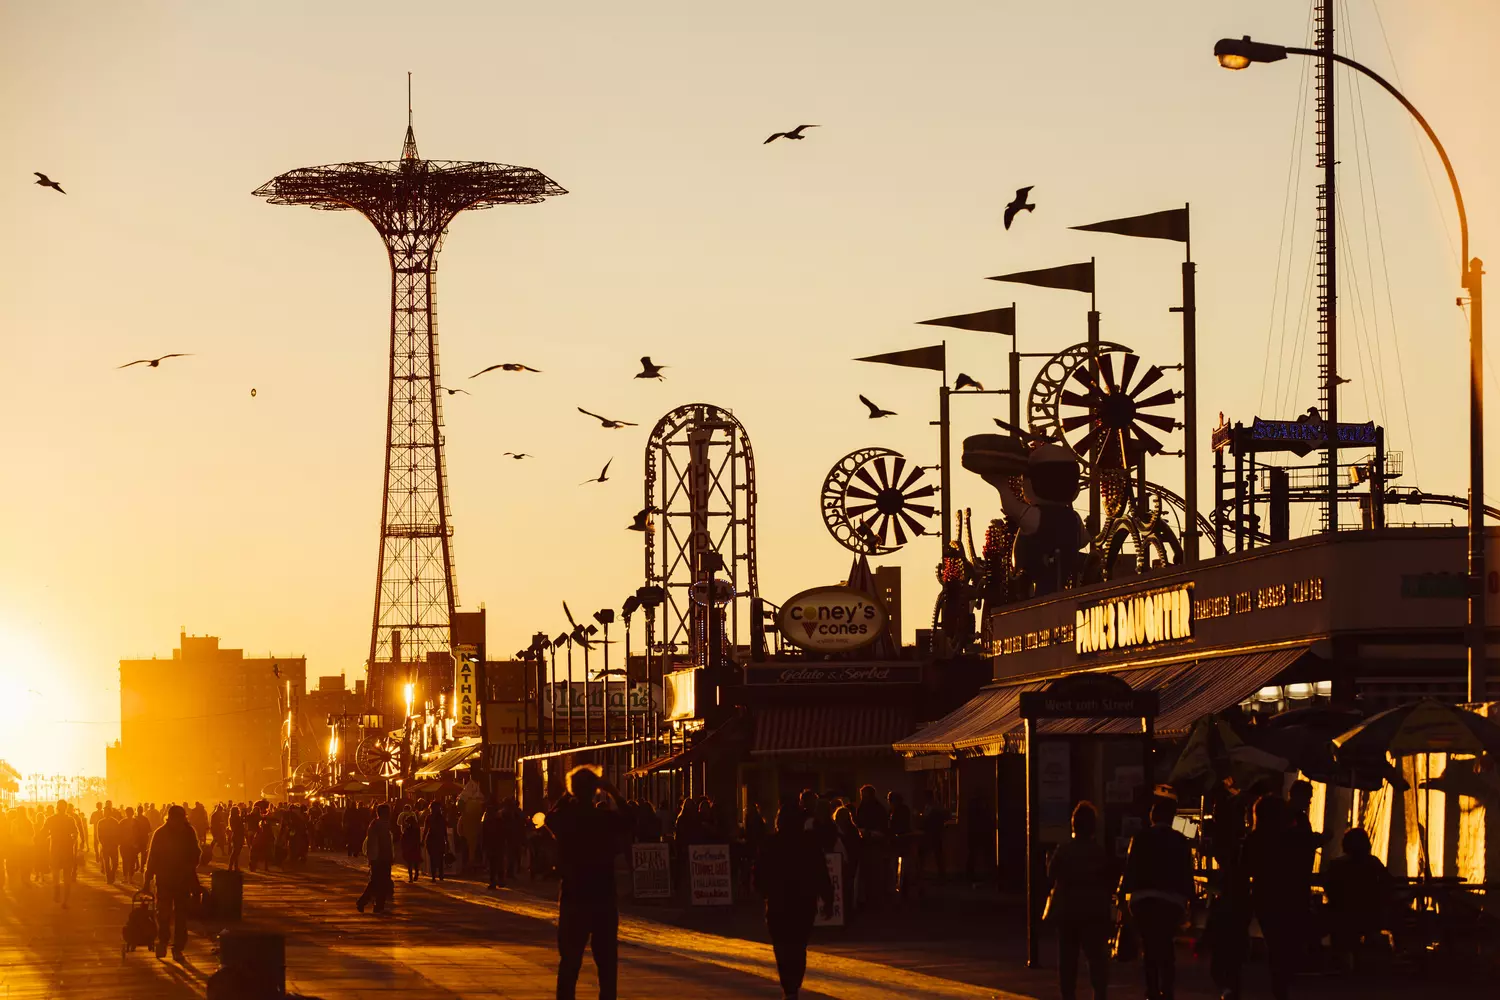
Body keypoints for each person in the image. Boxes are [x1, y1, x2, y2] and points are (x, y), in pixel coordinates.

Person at [545, 764, 632, 1000]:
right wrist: (613, 791)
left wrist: (568, 794)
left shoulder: (566, 819)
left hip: (574, 894)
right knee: (606, 962)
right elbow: (630, 821)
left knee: (570, 961)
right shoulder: (604, 818)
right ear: (596, 791)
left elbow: (549, 818)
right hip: (602, 895)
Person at [754, 795, 835, 1000]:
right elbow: (820, 872)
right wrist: (828, 898)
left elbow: (759, 872)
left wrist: (761, 892)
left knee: (782, 946)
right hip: (803, 902)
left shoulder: (770, 843)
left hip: (778, 902)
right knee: (799, 946)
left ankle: (788, 986)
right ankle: (794, 986)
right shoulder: (809, 844)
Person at [1120, 797, 1194, 1000]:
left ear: (1152, 816)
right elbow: (1187, 875)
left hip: (1143, 900)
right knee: (1166, 943)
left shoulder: (1140, 838)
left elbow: (1130, 871)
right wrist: (1191, 902)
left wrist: (1122, 898)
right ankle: (1167, 989)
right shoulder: (1180, 841)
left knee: (1149, 945)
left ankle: (1151, 989)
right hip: (1172, 902)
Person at [1048, 801, 1113, 1000]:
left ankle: (1068, 995)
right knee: (1096, 959)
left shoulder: (1064, 850)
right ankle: (1099, 994)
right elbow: (1108, 880)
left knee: (1067, 960)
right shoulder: (1099, 852)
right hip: (1093, 911)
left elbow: (1051, 874)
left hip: (1067, 911)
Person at [1241, 794, 1303, 1000]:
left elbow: (1244, 869)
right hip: (1290, 894)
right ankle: (1283, 981)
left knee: (1275, 940)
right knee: (1286, 940)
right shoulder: (1292, 838)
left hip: (1264, 894)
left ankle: (1279, 985)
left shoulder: (1255, 838)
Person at [1322, 827, 1389, 972]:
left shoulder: (1336, 865)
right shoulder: (1373, 864)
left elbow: (1329, 887)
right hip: (1371, 913)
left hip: (1341, 913)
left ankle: (1341, 962)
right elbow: (1387, 884)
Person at [145, 805, 201, 961]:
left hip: (183, 880)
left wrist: (189, 867)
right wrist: (147, 878)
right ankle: (163, 941)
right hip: (164, 880)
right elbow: (152, 857)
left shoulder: (189, 832)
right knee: (163, 913)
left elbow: (196, 854)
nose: (179, 823)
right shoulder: (160, 833)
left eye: (182, 819)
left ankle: (178, 947)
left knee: (181, 915)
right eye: (177, 819)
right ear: (169, 819)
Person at [356, 803, 395, 914]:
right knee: (376, 882)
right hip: (379, 857)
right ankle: (364, 901)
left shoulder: (384, 824)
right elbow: (372, 842)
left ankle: (378, 905)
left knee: (383, 881)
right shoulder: (376, 825)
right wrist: (373, 857)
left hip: (385, 857)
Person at [43, 801, 79, 908]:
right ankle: (65, 901)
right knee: (67, 876)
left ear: (57, 808)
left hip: (55, 850)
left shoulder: (51, 819)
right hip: (67, 850)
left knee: (56, 874)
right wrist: (73, 842)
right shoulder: (70, 820)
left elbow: (44, 832)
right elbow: (75, 833)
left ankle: (57, 892)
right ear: (66, 808)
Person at [482, 797, 507, 889]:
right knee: (496, 863)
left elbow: (484, 834)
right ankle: (498, 881)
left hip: (495, 845)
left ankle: (496, 881)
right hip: (495, 845)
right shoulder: (497, 821)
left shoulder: (492, 821)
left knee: (495, 864)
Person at [424, 801, 449, 881]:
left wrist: (422, 839)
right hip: (440, 839)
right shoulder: (442, 818)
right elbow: (444, 830)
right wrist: (446, 840)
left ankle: (434, 876)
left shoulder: (429, 817)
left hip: (431, 838)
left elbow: (426, 829)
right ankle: (441, 875)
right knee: (440, 857)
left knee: (432, 858)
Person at [400, 813, 423, 882]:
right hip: (415, 847)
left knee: (410, 863)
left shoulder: (408, 829)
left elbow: (404, 838)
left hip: (409, 847)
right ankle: (416, 874)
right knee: (415, 862)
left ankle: (411, 877)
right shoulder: (417, 828)